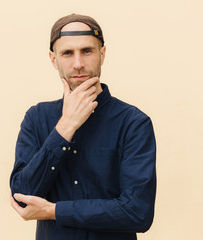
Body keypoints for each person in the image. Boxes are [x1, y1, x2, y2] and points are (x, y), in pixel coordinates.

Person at [9, 13, 156, 240]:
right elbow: (22, 196)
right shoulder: (36, 118)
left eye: (87, 51)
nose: (78, 64)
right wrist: (65, 127)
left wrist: (54, 211)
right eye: (67, 53)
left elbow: (138, 212)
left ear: (102, 54)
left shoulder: (134, 123)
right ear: (53, 58)